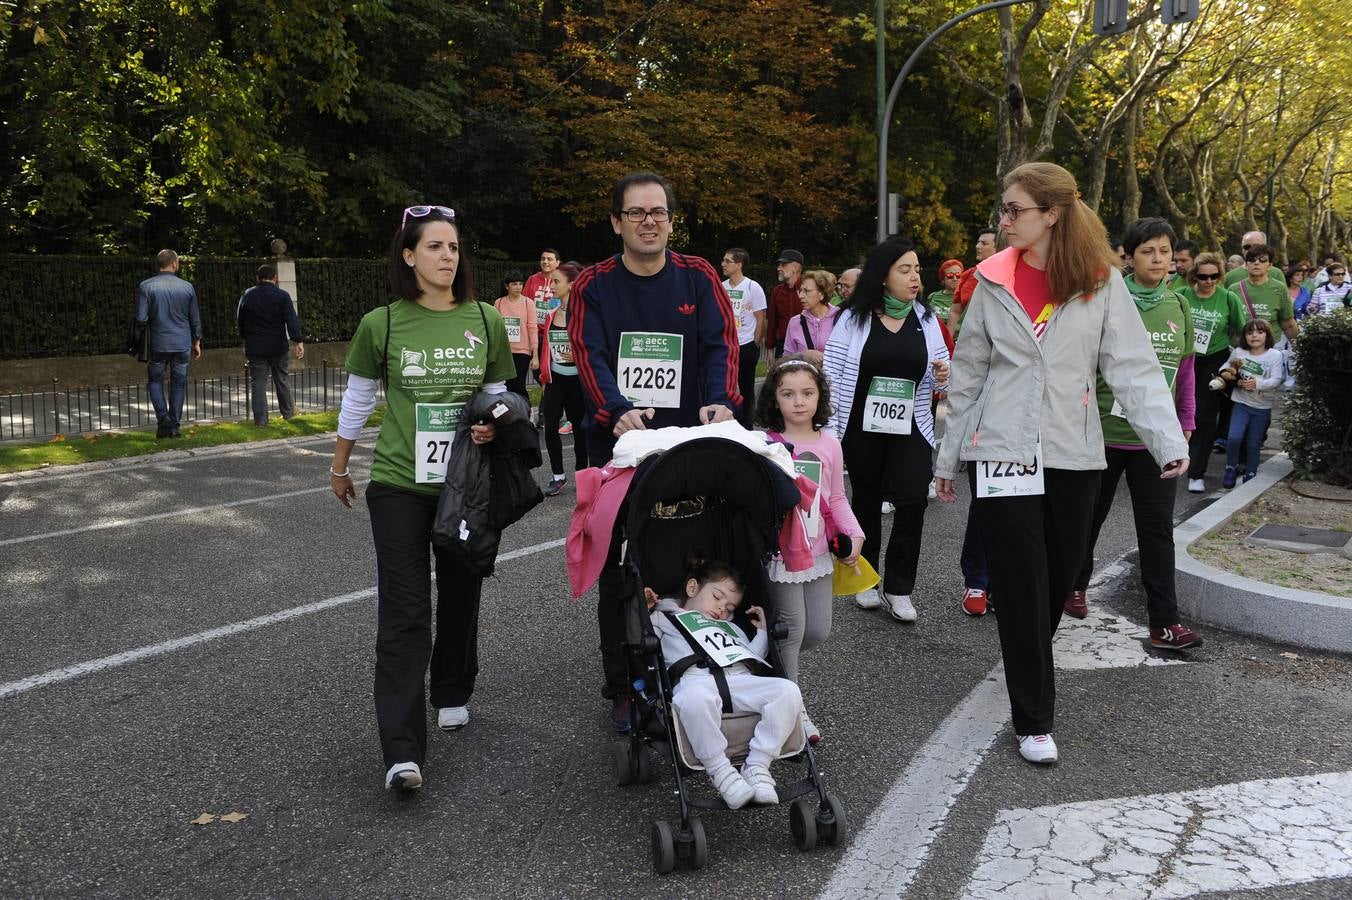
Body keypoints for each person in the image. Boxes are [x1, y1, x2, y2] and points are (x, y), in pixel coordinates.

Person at [934, 162, 1188, 766]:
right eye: (1003, 209)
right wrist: (947, 458)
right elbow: (967, 375)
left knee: (1058, 576)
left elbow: (1131, 367)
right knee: (1020, 581)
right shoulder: (990, 280)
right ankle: (1034, 716)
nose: (1003, 219)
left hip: (1075, 452)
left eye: (1013, 209)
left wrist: (1166, 439)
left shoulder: (1101, 281)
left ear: (1050, 213)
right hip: (1001, 450)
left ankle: (1027, 660)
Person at [328, 205, 515, 791]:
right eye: (434, 247)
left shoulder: (486, 321)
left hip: (464, 484)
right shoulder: (381, 323)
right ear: (409, 256)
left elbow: (498, 397)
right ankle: (402, 750)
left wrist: (492, 425)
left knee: (461, 590)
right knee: (405, 610)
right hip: (399, 486)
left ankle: (453, 687)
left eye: (453, 247)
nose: (446, 257)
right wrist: (339, 466)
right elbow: (358, 400)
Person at [568, 171, 741, 730]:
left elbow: (723, 344)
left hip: (690, 448)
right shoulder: (592, 285)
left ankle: (691, 664)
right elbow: (587, 355)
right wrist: (614, 409)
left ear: (671, 220)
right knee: (621, 566)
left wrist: (720, 400)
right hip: (617, 449)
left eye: (659, 213)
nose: (649, 222)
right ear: (617, 221)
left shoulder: (698, 277)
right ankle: (623, 684)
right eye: (637, 213)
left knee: (687, 555)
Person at [1064, 218, 1203, 651]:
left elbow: (1185, 374)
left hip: (1153, 440)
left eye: (1165, 251)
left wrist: (1185, 427)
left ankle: (1165, 622)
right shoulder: (1106, 299)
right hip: (1102, 435)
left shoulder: (1178, 305)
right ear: (1128, 255)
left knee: (1157, 530)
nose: (1158, 259)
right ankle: (1072, 587)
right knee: (1086, 521)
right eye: (1148, 251)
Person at [823, 237, 950, 621]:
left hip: (911, 427)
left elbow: (943, 379)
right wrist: (828, 431)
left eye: (916, 270)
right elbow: (831, 374)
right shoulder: (852, 318)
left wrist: (944, 375)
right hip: (861, 427)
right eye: (905, 270)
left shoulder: (927, 320)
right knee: (865, 501)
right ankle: (866, 580)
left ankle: (899, 588)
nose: (915, 278)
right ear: (883, 277)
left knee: (913, 500)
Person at [755, 355, 863, 743]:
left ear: (820, 397)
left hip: (818, 552)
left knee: (816, 630)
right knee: (792, 630)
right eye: (788, 394)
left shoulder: (830, 444)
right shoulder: (765, 444)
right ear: (774, 399)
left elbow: (836, 497)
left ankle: (762, 666)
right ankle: (793, 711)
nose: (799, 402)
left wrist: (855, 535)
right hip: (782, 554)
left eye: (807, 393)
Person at [648, 557, 804, 809]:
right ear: (692, 589)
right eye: (717, 597)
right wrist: (645, 609)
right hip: (695, 679)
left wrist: (762, 633)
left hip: (740, 678)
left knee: (788, 691)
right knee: (690, 700)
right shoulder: (664, 617)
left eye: (730, 606)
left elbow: (751, 656)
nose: (722, 608)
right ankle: (721, 771)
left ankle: (757, 765)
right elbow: (644, 640)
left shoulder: (729, 626)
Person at [1181, 252, 1246, 493]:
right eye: (1203, 276)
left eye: (1214, 276)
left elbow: (1242, 330)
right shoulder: (1183, 295)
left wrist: (1242, 360)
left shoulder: (1228, 298)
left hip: (1214, 360)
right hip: (1184, 359)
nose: (1208, 281)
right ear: (1194, 276)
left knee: (1204, 416)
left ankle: (1197, 472)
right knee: (1175, 411)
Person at [136, 249, 202, 438]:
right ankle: (174, 427)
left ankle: (162, 418)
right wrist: (196, 340)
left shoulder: (146, 286)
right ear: (174, 264)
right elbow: (194, 318)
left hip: (158, 342)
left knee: (155, 381)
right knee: (178, 384)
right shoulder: (187, 287)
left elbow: (141, 317)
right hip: (182, 342)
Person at [539, 262, 588, 496]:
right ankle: (558, 475)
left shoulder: (584, 315)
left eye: (556, 281)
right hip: (555, 379)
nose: (551, 285)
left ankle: (582, 475)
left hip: (578, 381)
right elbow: (545, 347)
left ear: (571, 285)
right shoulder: (550, 315)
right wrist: (544, 375)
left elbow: (594, 347)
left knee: (580, 429)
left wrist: (579, 356)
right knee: (550, 426)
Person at [237, 264, 304, 426]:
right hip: (277, 345)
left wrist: (245, 337)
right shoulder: (282, 296)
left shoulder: (248, 295)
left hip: (255, 346)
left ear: (257, 278)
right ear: (276, 278)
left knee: (258, 382)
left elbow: (240, 319)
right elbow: (291, 320)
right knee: (281, 378)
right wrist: (298, 340)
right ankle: (288, 413)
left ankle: (260, 420)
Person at [1223, 319, 1286, 488]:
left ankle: (1251, 471)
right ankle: (1231, 467)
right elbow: (1226, 368)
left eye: (1259, 332)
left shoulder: (1275, 355)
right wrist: (1230, 378)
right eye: (1250, 332)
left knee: (1253, 442)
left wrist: (1257, 383)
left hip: (1262, 408)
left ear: (1267, 335)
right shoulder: (1238, 352)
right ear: (1244, 336)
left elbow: (1277, 379)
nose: (1254, 336)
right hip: (1240, 403)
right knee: (1233, 438)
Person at [720, 247, 767, 427]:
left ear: (739, 265)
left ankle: (746, 426)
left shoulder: (752, 287)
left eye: (727, 261)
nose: (723, 264)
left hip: (746, 344)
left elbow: (761, 319)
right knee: (724, 386)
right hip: (725, 344)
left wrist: (754, 346)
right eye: (723, 260)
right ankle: (725, 423)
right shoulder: (721, 286)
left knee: (746, 387)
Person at [1233, 245, 1299, 342]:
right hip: (1241, 348)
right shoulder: (1234, 289)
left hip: (1271, 348)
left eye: (1262, 260)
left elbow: (1288, 324)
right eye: (1252, 260)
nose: (1256, 263)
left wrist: (1299, 348)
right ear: (1246, 265)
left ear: (1270, 265)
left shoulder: (1280, 288)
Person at [781, 270, 841, 368]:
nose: (800, 296)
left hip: (834, 381)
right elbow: (786, 359)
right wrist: (804, 355)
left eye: (807, 291)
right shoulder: (795, 322)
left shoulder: (840, 319)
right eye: (800, 290)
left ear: (822, 294)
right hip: (805, 381)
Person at [494, 270, 538, 399]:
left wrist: (535, 355)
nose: (518, 287)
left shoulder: (528, 303)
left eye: (520, 283)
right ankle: (509, 415)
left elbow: (533, 328)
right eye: (514, 284)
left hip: (522, 351)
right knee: (505, 385)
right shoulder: (499, 303)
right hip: (504, 351)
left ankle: (524, 411)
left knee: (518, 385)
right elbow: (495, 328)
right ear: (507, 286)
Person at [947, 227, 998, 337]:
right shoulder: (967, 275)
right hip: (967, 340)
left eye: (984, 243)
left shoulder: (1007, 276)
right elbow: (955, 311)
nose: (977, 246)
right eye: (978, 242)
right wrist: (949, 344)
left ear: (998, 248)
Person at [766, 250, 805, 364]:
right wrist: (769, 348)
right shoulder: (777, 292)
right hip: (782, 345)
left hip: (806, 344)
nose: (779, 268)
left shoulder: (809, 289)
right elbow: (773, 321)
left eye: (783, 265)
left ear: (795, 267)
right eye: (779, 265)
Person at [926, 259, 963, 323]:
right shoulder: (932, 296)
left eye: (958, 275)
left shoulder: (965, 298)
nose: (955, 279)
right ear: (943, 279)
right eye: (950, 276)